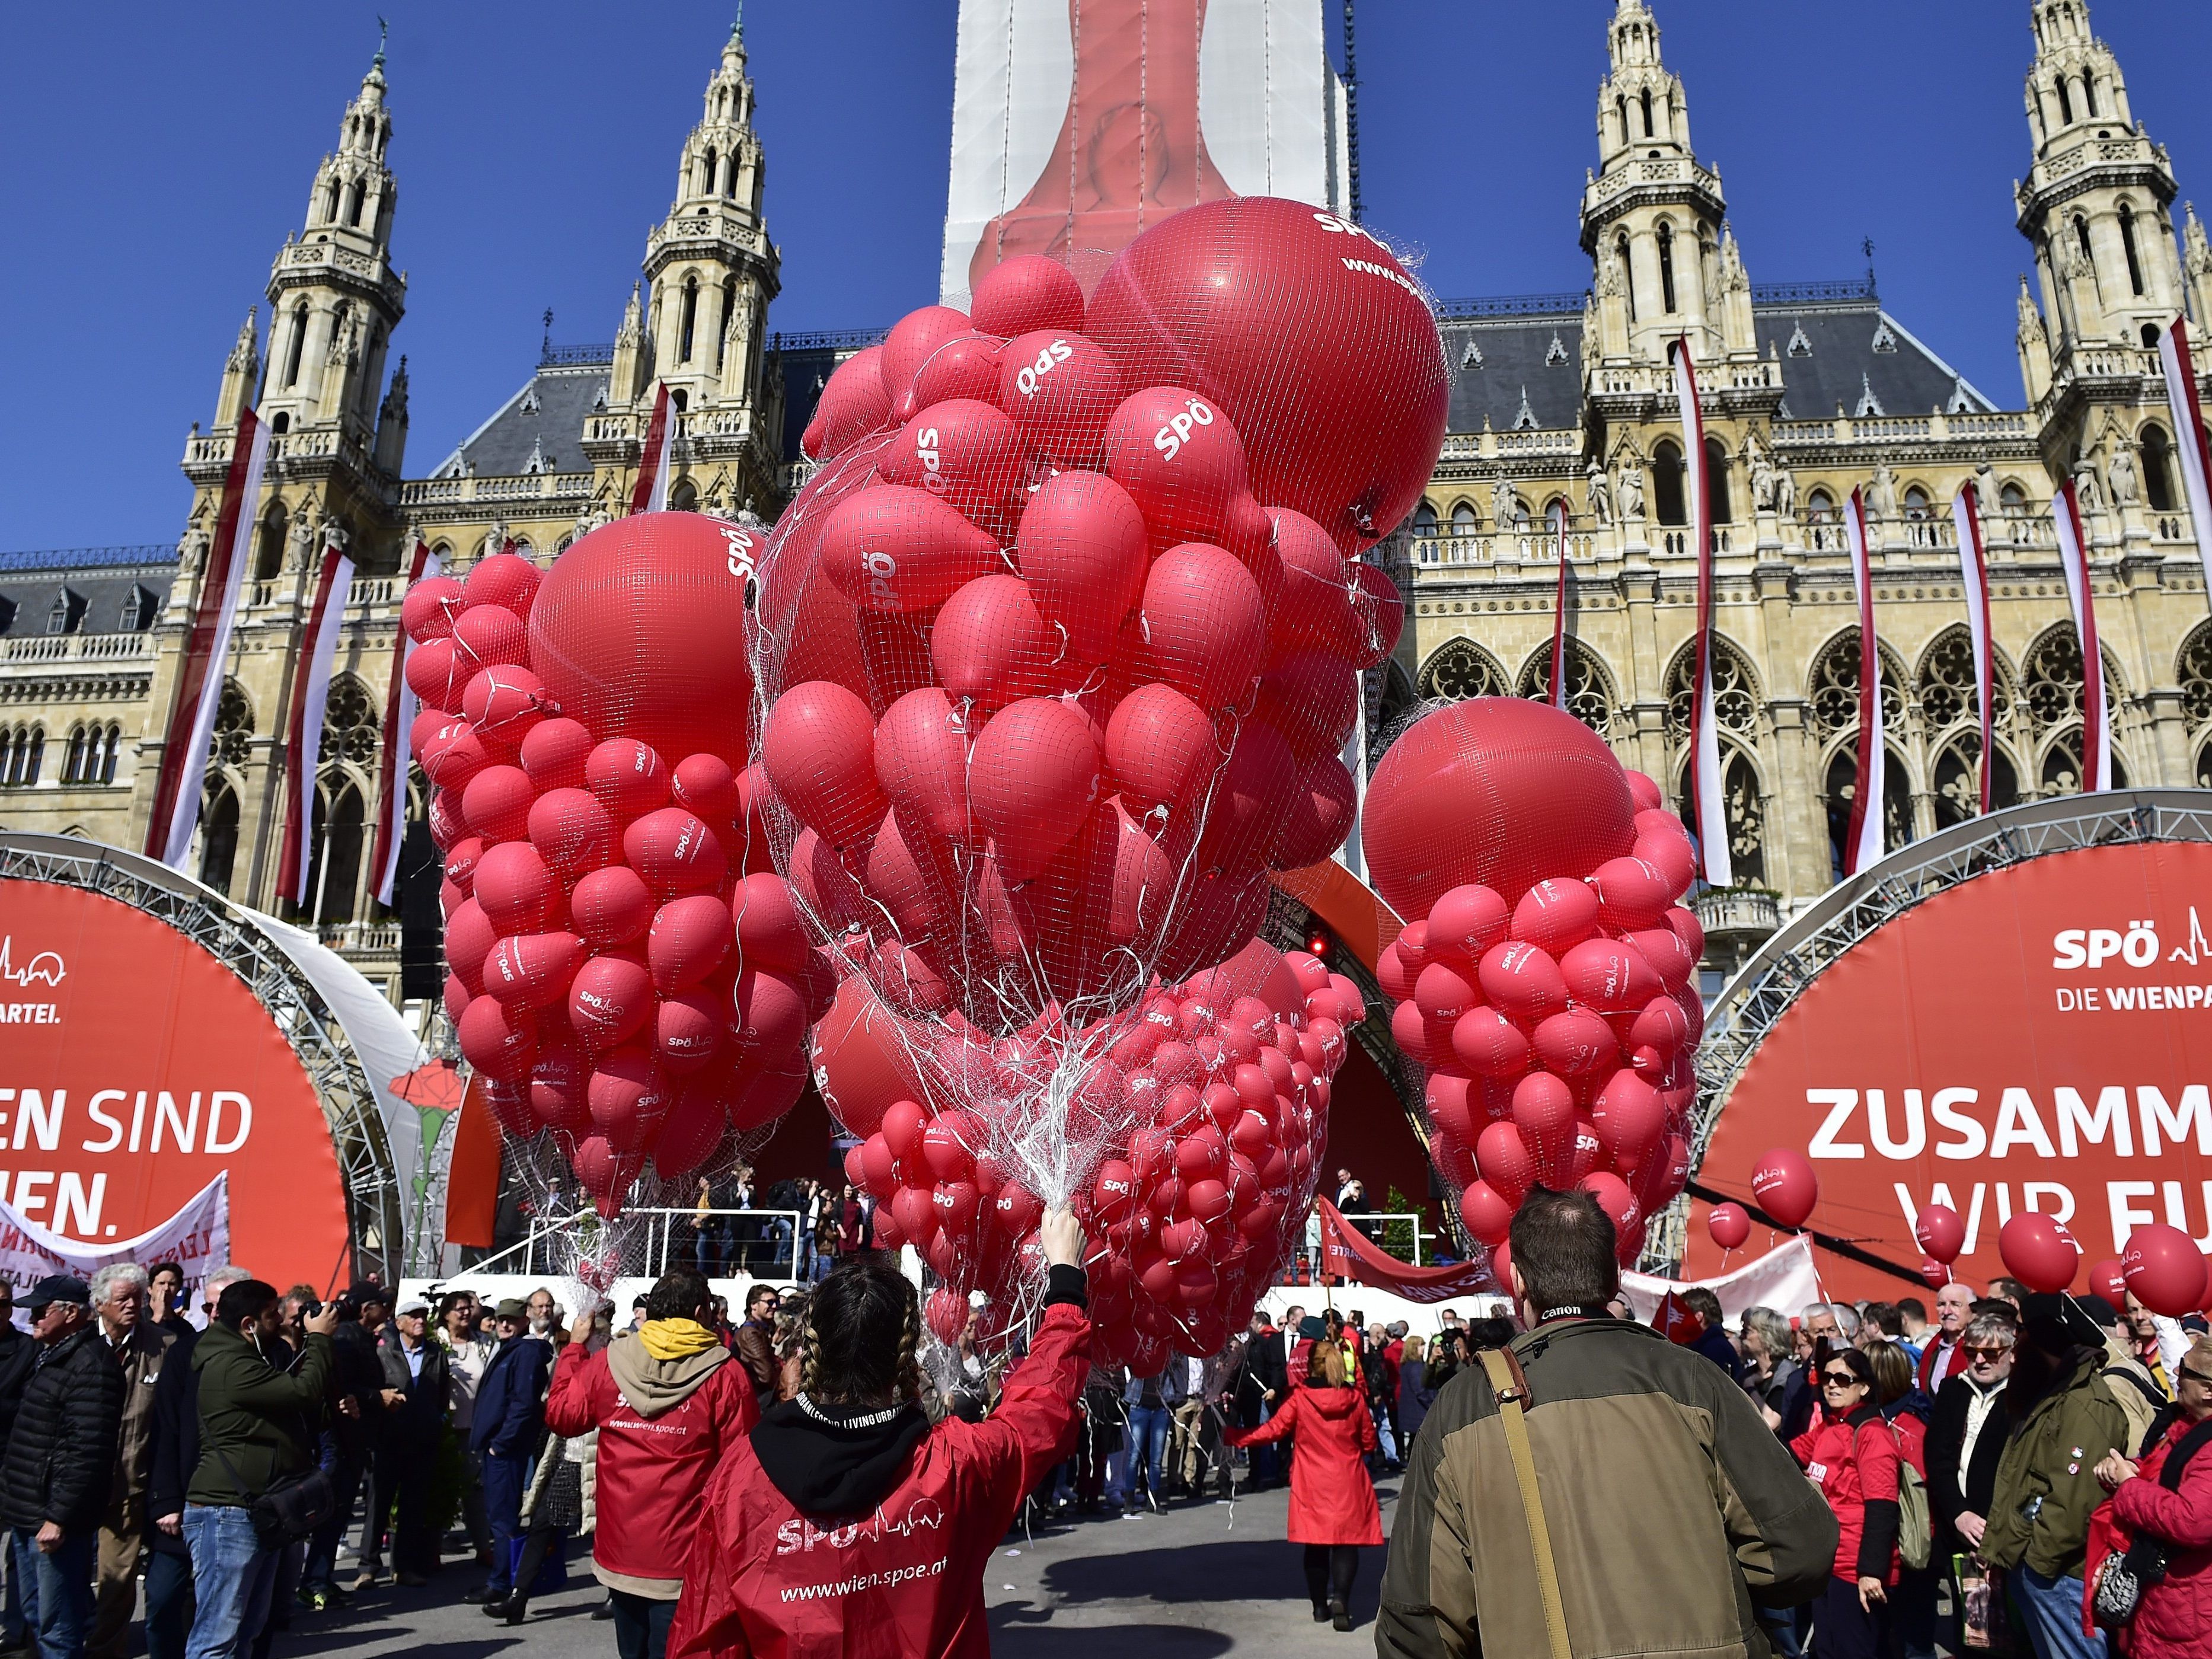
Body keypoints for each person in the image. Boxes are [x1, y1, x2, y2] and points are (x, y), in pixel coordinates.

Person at [1378, 1186, 1836, 1658]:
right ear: (1616, 1276)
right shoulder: (1692, 1379)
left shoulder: (1464, 1403)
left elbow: (1421, 1618)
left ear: (1516, 1280)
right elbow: (1799, 1546)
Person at [666, 1208, 1090, 1656]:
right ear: (904, 1356)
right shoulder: (956, 1464)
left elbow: (706, 1637)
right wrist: (1064, 1282)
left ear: (813, 1346)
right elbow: (1040, 1408)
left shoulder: (742, 1474)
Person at [545, 1268, 758, 1659]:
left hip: (619, 1548)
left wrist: (574, 1348)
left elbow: (562, 1415)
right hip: (685, 1555)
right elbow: (741, 1471)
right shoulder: (725, 1374)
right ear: (701, 1312)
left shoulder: (608, 1361)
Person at [184, 1279, 337, 1659]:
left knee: (247, 1632)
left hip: (255, 1509)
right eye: (274, 1316)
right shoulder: (231, 1364)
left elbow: (295, 1406)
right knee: (217, 1636)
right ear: (249, 1324)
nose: (283, 1322)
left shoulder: (250, 1358)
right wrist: (320, 1340)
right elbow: (302, 1392)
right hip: (227, 1513)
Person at [1983, 1294, 2133, 1659]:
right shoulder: (2052, 1393)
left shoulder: (2086, 1405)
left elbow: (2074, 1501)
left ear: (2044, 1342)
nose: (2015, 1347)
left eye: (2022, 1335)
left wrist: (2037, 1563)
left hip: (2061, 1574)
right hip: (2039, 1567)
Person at [0, 1277, 125, 1659]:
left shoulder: (90, 1365)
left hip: (53, 1519)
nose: (32, 1318)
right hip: (29, 1511)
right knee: (38, 1616)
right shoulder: (53, 1354)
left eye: (41, 1310)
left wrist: (58, 1517)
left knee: (58, 1625)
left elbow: (87, 1452)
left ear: (71, 1313)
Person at [1225, 1335, 1383, 1629]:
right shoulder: (1354, 1398)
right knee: (1347, 1545)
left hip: (1312, 1481)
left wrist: (1236, 1436)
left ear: (1311, 1367)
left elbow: (1273, 1431)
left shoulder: (1300, 1397)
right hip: (1348, 1478)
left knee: (1316, 1546)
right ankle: (1342, 1599)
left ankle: (1319, 1607)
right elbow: (1369, 1441)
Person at [2088, 1333, 2212, 1659]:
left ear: (2209, 1390)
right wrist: (2124, 1470)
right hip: (2166, 1599)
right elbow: (2161, 1473)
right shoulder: (2182, 1425)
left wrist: (2129, 1487)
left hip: (2192, 1608)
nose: (2175, 1374)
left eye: (2184, 1369)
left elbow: (2193, 1520)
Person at [145, 1267, 246, 1659]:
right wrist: (166, 1500)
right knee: (162, 1598)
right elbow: (166, 1429)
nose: (214, 1313)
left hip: (239, 1507)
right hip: (184, 1503)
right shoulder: (186, 1352)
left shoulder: (269, 1354)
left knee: (226, 1612)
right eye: (208, 1306)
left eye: (223, 1305)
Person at [1788, 1346, 1903, 1657]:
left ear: (1864, 1387)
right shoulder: (1831, 1426)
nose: (1833, 1385)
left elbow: (1882, 1508)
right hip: (1829, 1562)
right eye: (1827, 1377)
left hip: (1856, 1568)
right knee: (1826, 1650)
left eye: (1843, 1378)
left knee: (1854, 1651)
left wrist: (1870, 1572)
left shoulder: (1872, 1434)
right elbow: (1783, 1455)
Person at [87, 1264, 175, 1659]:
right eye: (122, 1298)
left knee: (117, 1578)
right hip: (78, 1480)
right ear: (100, 1304)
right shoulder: (79, 1345)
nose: (132, 1305)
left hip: (130, 1481)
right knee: (61, 1576)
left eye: (137, 1297)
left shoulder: (165, 1346)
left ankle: (105, 1651)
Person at [1926, 1309, 2016, 1596]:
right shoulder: (1953, 1389)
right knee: (1971, 1625)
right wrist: (1958, 1513)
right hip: (1957, 1524)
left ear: (2011, 1354)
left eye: (1990, 1354)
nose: (1979, 1361)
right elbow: (1937, 1457)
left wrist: (1995, 1527)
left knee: (2009, 1627)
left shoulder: (2023, 1397)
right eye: (1972, 1352)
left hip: (2004, 1530)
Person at [470, 1299, 550, 1612]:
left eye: (512, 1320)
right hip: (498, 1447)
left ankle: (502, 1582)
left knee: (503, 1517)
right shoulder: (511, 1349)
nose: (505, 1324)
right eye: (501, 1319)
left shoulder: (526, 1352)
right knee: (499, 1515)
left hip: (505, 1449)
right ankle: (502, 1579)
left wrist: (500, 1443)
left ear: (524, 1321)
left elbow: (524, 1404)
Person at [436, 1290, 496, 1567]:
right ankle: (433, 1547)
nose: (464, 1313)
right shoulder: (436, 1342)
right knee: (441, 1489)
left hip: (475, 1427)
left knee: (474, 1490)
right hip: (444, 1428)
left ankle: (483, 1547)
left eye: (467, 1308)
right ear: (446, 1313)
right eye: (458, 1309)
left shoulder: (482, 1343)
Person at [0, 1280, 34, 1655]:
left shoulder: (27, 1350)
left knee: (19, 1556)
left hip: (15, 1464)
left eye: (4, 1304)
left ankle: (15, 1632)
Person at [1919, 1281, 1977, 1394]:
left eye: (1956, 1304)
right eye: (1942, 1304)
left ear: (1972, 1311)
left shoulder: (1979, 1347)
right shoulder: (1931, 1348)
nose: (1947, 1311)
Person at [1680, 1287, 1746, 1383]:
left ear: (1698, 1317)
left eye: (1682, 1314)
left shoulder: (1714, 1349)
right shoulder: (1711, 1344)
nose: (1679, 1320)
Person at [730, 1287, 778, 1402]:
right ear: (753, 1305)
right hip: (756, 1399)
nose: (775, 1307)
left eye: (776, 1302)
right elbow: (767, 1376)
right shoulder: (750, 1333)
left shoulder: (760, 1329)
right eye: (770, 1302)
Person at [147, 1268, 192, 1343]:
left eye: (172, 1284)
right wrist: (157, 1318)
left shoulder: (185, 1327)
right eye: (161, 1283)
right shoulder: (137, 1318)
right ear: (150, 1289)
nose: (166, 1288)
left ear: (178, 1290)